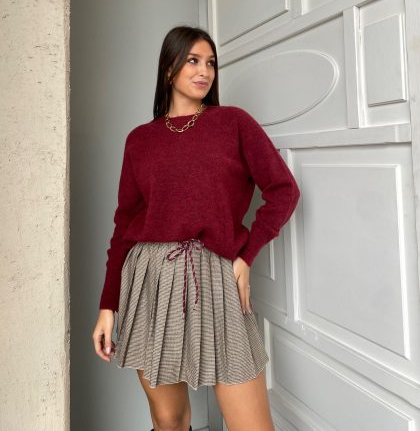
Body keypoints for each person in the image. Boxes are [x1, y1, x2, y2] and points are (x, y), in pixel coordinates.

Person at [92, 25, 301, 431]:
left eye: (210, 63)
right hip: (151, 279)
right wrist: (107, 305)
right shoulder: (140, 140)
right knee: (169, 420)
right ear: (169, 69)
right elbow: (124, 225)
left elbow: (284, 190)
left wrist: (246, 256)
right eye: (193, 61)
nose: (204, 71)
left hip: (215, 275)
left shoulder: (233, 123)